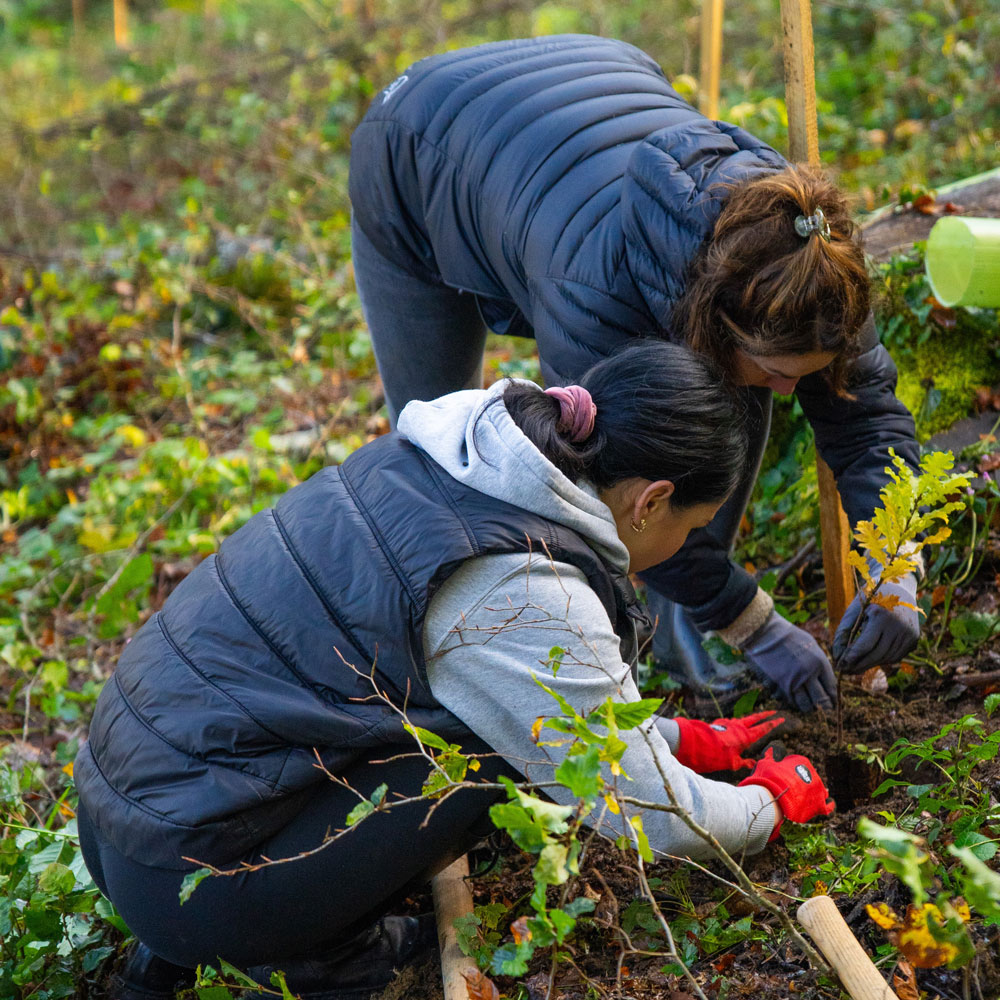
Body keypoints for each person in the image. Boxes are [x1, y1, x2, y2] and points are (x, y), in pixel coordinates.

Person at [75, 342, 834, 1000]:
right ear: (651, 500)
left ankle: (190, 946)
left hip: (127, 819)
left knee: (488, 720)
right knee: (493, 757)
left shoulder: (475, 450)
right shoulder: (517, 580)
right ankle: (321, 961)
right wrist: (769, 803)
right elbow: (650, 813)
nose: (688, 542)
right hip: (194, 879)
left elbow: (504, 678)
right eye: (694, 528)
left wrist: (671, 736)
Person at [348, 34, 922, 711]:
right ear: (714, 317)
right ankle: (441, 668)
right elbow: (607, 481)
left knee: (736, 394)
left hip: (588, 82)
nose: (794, 392)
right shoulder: (595, 296)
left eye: (804, 373)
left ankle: (688, 626)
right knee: (440, 454)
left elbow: (865, 417)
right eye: (778, 369)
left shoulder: (811, 261)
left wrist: (895, 561)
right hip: (420, 140)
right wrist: (757, 624)